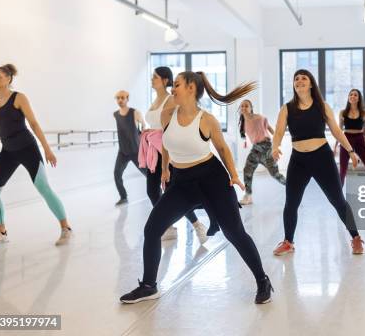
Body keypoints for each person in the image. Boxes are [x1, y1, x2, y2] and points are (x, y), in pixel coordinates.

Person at [120, 71, 273, 304]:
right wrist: (165, 169)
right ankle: (149, 285)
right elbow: (168, 144)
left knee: (234, 233)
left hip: (212, 180)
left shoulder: (206, 119)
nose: (173, 89)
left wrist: (234, 175)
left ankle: (262, 281)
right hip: (181, 182)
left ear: (191, 88)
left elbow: (222, 149)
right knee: (152, 229)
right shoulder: (167, 116)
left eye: (178, 85)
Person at [271, 69, 365, 256]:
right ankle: (288, 241)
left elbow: (337, 131)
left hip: (322, 158)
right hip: (299, 160)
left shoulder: (322, 106)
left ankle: (355, 238)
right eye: (296, 79)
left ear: (311, 83)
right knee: (291, 203)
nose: (299, 81)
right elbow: (279, 132)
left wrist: (351, 151)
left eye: (303, 78)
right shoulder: (287, 108)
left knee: (337, 200)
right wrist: (275, 147)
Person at [0, 64, 72, 247]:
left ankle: (66, 228)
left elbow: (33, 123)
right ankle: (1, 232)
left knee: (43, 187)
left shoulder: (19, 98)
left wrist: (47, 149)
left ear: (9, 78)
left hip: (27, 148)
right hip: (8, 151)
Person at [139, 67, 210, 244]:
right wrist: (150, 131)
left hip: (167, 151)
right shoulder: (156, 100)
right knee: (151, 191)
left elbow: (172, 126)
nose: (151, 80)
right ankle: (168, 227)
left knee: (173, 193)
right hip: (152, 151)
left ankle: (197, 224)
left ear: (165, 80)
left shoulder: (172, 100)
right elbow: (158, 123)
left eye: (154, 77)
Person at [238, 99, 286, 205]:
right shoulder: (243, 122)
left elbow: (270, 129)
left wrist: (277, 144)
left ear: (251, 108)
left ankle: (292, 188)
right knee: (247, 170)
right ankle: (248, 195)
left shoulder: (259, 118)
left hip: (266, 147)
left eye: (246, 106)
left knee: (275, 174)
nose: (244, 108)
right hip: (256, 149)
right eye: (242, 106)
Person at [113, 90, 146, 206]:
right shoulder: (115, 114)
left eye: (122, 98)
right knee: (117, 173)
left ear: (127, 98)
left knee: (147, 173)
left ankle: (159, 190)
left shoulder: (135, 112)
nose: (120, 100)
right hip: (123, 151)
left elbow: (143, 126)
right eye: (118, 98)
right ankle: (123, 197)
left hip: (135, 150)